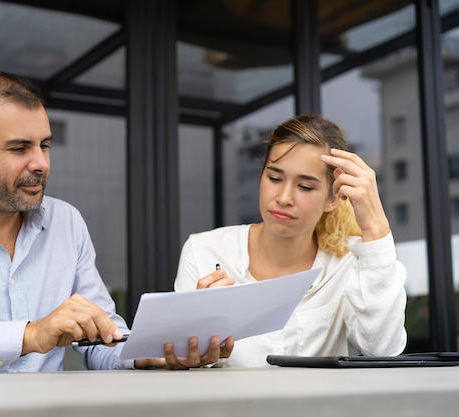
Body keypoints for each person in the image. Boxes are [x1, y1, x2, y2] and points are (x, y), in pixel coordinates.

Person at [0, 70, 229, 374]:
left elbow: (101, 341)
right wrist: (29, 336)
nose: (41, 163)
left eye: (45, 145)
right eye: (20, 148)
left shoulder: (66, 222)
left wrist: (155, 352)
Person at [174, 114, 407, 368]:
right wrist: (196, 340)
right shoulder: (204, 251)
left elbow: (382, 349)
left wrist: (375, 228)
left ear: (333, 198)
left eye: (305, 187)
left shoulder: (348, 264)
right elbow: (185, 360)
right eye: (274, 178)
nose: (284, 197)